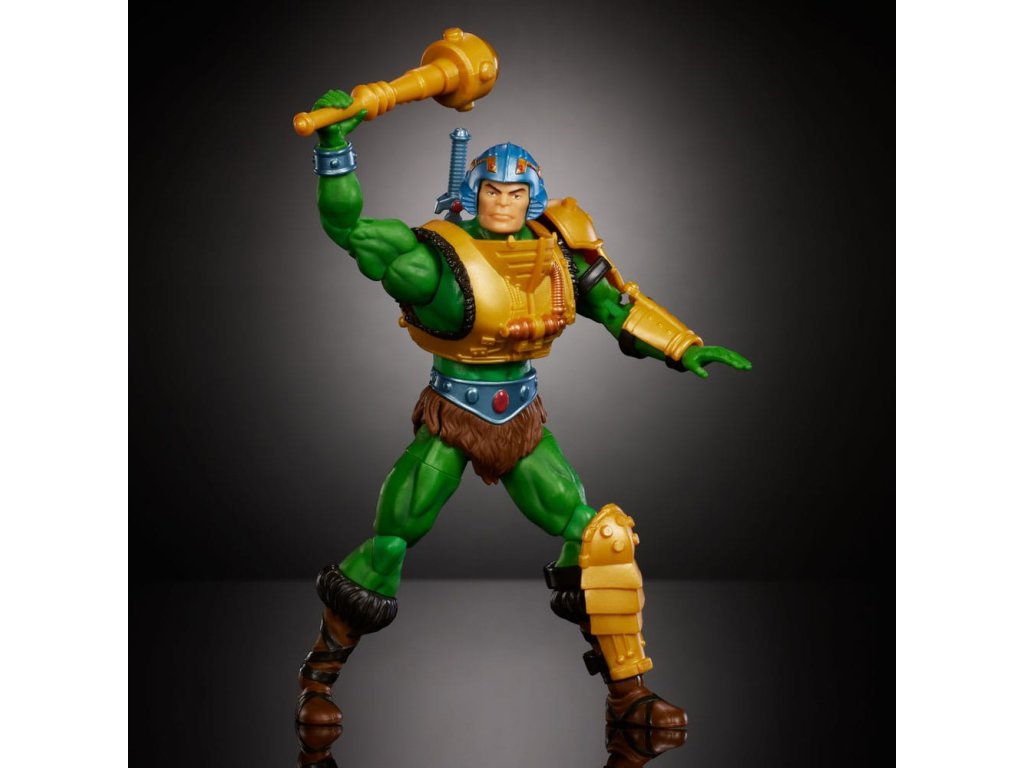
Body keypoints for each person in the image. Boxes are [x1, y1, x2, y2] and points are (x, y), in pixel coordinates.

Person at [295, 89, 751, 732]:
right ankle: (318, 679)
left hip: (523, 421)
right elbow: (349, 229)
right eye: (492, 191)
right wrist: (335, 146)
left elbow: (616, 306)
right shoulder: (435, 261)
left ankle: (629, 695)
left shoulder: (557, 251)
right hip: (453, 416)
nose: (503, 203)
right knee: (390, 542)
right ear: (473, 193)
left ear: (532, 197)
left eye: (516, 193)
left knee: (600, 537)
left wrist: (683, 347)